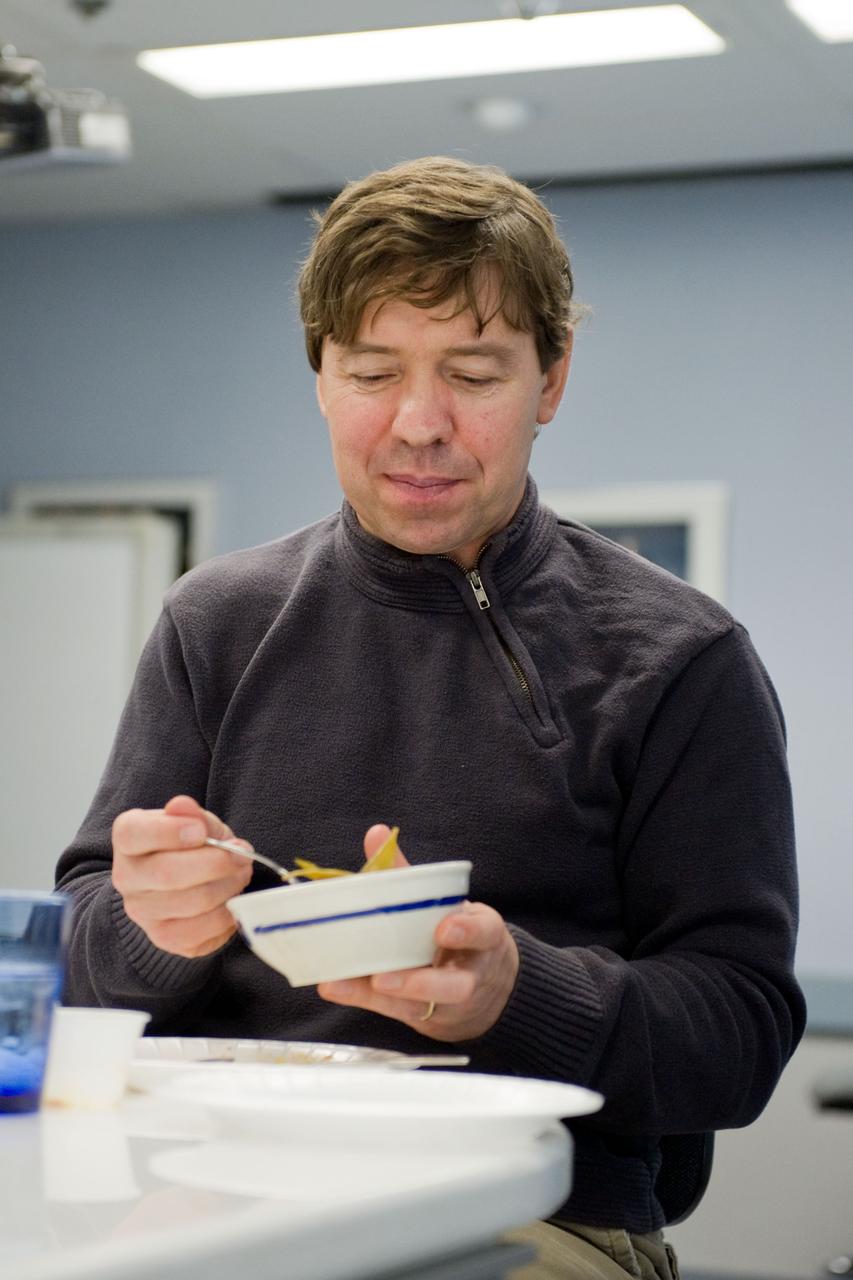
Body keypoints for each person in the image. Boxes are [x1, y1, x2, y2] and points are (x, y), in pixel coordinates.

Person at [56, 156, 805, 1279]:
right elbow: (76, 952)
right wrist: (149, 928)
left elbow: (739, 1033)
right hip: (211, 1197)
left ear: (550, 379)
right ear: (319, 375)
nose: (418, 423)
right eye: (372, 371)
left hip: (536, 1217)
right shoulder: (215, 622)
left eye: (472, 370)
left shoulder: (680, 659)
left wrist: (519, 993)